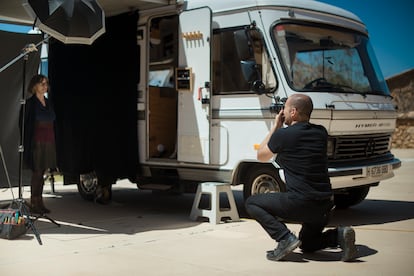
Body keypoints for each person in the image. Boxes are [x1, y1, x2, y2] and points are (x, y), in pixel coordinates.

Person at [245, 93, 357, 262]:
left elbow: (261, 155)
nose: (282, 111)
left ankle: (284, 238)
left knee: (252, 202)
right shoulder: (320, 132)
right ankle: (338, 236)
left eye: (286, 108)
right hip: (325, 205)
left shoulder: (284, 135)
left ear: (293, 112)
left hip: (301, 203)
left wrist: (276, 127)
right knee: (307, 244)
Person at [21, 74, 57, 214]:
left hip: (48, 141)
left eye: (46, 83)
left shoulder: (48, 102)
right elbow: (23, 123)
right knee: (36, 172)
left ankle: (40, 201)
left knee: (42, 172)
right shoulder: (30, 103)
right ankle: (34, 201)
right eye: (42, 83)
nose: (45, 86)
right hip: (36, 141)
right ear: (35, 85)